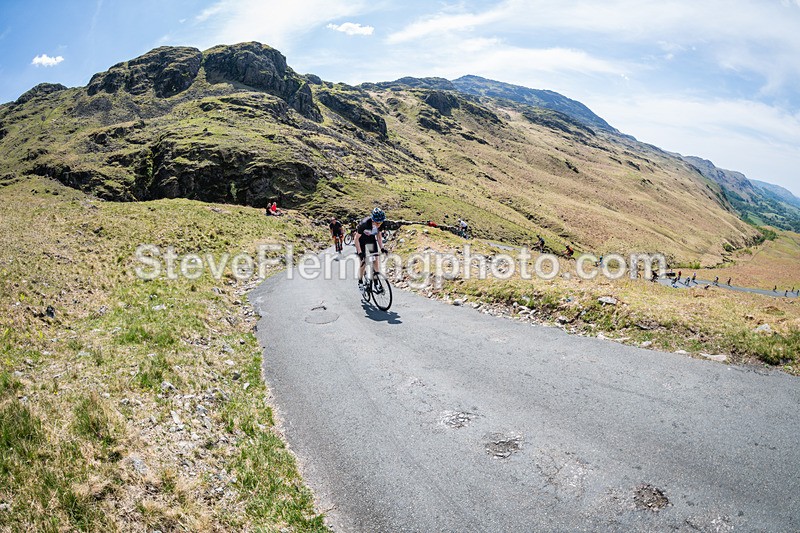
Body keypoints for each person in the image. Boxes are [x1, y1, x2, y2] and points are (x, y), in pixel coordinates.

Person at [355, 208, 387, 289]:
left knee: (375, 260)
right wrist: (360, 252)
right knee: (363, 262)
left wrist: (382, 248)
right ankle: (360, 281)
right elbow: (356, 239)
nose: (379, 224)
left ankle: (376, 281)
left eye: (381, 222)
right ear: (373, 220)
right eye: (377, 223)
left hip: (371, 240)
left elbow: (379, 237)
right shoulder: (364, 224)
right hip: (361, 240)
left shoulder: (381, 223)